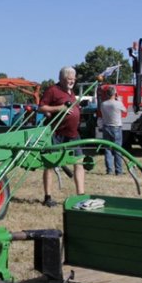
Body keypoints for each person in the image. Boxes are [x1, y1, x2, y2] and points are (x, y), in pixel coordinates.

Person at [39, 66, 86, 207]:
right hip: (56, 133)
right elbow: (41, 107)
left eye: (73, 79)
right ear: (61, 79)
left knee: (79, 162)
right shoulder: (53, 90)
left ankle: (81, 195)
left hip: (73, 134)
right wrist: (59, 108)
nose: (72, 81)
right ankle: (48, 197)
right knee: (50, 165)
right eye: (69, 79)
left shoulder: (71, 92)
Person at [98, 85, 126, 175]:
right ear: (115, 94)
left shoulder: (103, 104)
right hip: (116, 127)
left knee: (108, 149)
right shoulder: (118, 103)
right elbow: (125, 110)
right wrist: (119, 100)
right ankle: (118, 170)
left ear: (107, 94)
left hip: (106, 127)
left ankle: (109, 170)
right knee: (117, 149)